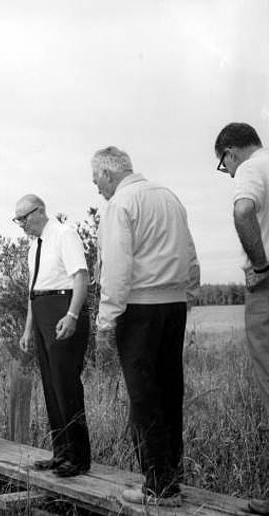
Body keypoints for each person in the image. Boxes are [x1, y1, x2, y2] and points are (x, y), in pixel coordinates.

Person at [92, 146, 200, 507]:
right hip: (173, 305)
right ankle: (171, 475)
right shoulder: (169, 197)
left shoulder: (120, 204)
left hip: (139, 309)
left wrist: (106, 321)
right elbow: (190, 249)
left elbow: (117, 267)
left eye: (97, 182)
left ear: (108, 174)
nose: (98, 190)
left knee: (144, 398)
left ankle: (159, 486)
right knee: (170, 391)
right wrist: (189, 291)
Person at [213, 122, 269, 516]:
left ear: (231, 152)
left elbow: (244, 209)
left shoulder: (252, 168)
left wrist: (262, 265)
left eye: (224, 164)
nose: (228, 173)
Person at [14, 194, 91, 478]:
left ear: (40, 211)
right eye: (17, 219)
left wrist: (71, 315)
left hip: (63, 307)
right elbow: (34, 290)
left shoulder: (63, 234)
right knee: (50, 386)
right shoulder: (33, 245)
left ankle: (79, 458)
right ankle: (61, 453)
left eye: (24, 217)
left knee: (66, 385)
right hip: (42, 310)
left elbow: (80, 277)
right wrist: (27, 329)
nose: (21, 224)